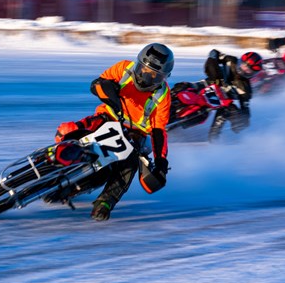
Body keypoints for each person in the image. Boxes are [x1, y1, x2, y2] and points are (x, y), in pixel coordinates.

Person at [54, 43, 174, 221]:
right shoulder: (124, 68)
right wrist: (110, 93)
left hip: (135, 135)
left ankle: (105, 202)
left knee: (130, 164)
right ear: (138, 63)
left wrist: (161, 162)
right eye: (143, 69)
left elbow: (158, 130)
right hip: (107, 117)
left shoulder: (163, 96)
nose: (145, 77)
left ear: (164, 77)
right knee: (69, 130)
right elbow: (97, 84)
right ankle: (49, 159)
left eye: (154, 75)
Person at [171, 49, 263, 142]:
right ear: (241, 61)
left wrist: (239, 121)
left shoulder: (245, 89)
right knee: (181, 87)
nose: (244, 69)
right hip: (206, 84)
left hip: (217, 102)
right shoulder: (230, 60)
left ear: (253, 73)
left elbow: (245, 111)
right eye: (244, 65)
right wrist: (213, 61)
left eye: (249, 70)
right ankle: (159, 103)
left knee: (224, 111)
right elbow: (214, 52)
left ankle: (214, 139)